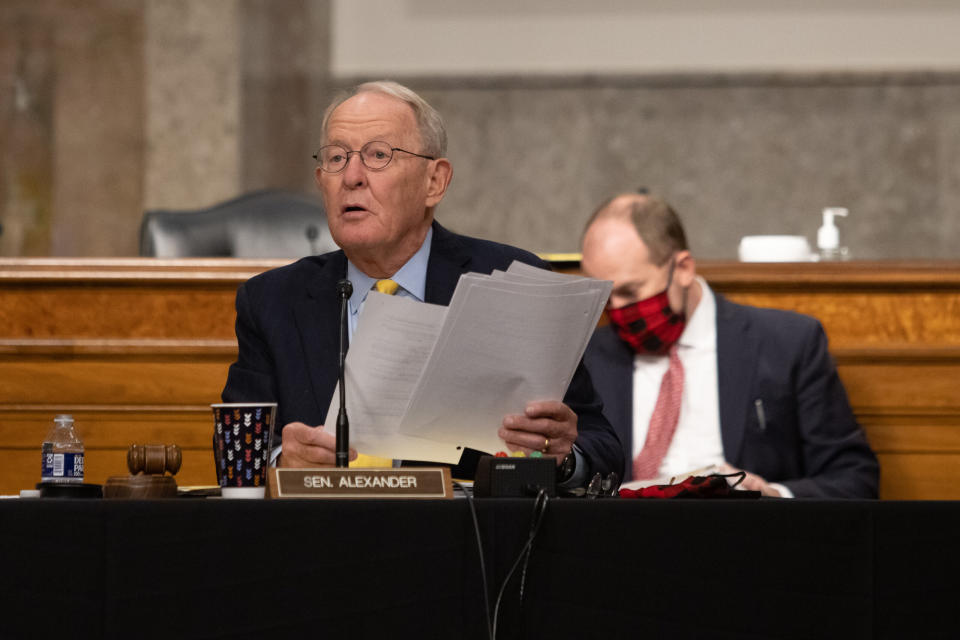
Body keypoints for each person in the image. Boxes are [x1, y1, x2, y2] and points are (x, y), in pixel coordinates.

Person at [221, 81, 623, 485]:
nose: (352, 177)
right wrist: (279, 461)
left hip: (468, 542)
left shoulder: (515, 282)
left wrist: (565, 458)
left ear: (435, 182)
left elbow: (602, 448)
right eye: (337, 157)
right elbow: (236, 452)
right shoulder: (273, 301)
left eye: (378, 155)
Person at [581, 193, 878, 497]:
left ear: (683, 269)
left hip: (746, 535)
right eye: (603, 294)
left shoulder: (787, 343)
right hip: (625, 535)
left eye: (630, 292)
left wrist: (772, 495)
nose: (614, 309)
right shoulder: (588, 356)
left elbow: (855, 478)